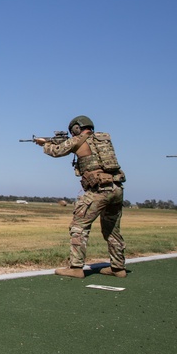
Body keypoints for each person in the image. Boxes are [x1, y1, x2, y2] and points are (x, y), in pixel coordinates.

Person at [33, 115, 127, 278]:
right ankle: (118, 268)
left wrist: (45, 144)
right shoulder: (102, 139)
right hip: (116, 188)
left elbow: (56, 151)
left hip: (99, 190)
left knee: (78, 226)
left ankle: (76, 267)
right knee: (112, 230)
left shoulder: (78, 139)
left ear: (77, 128)